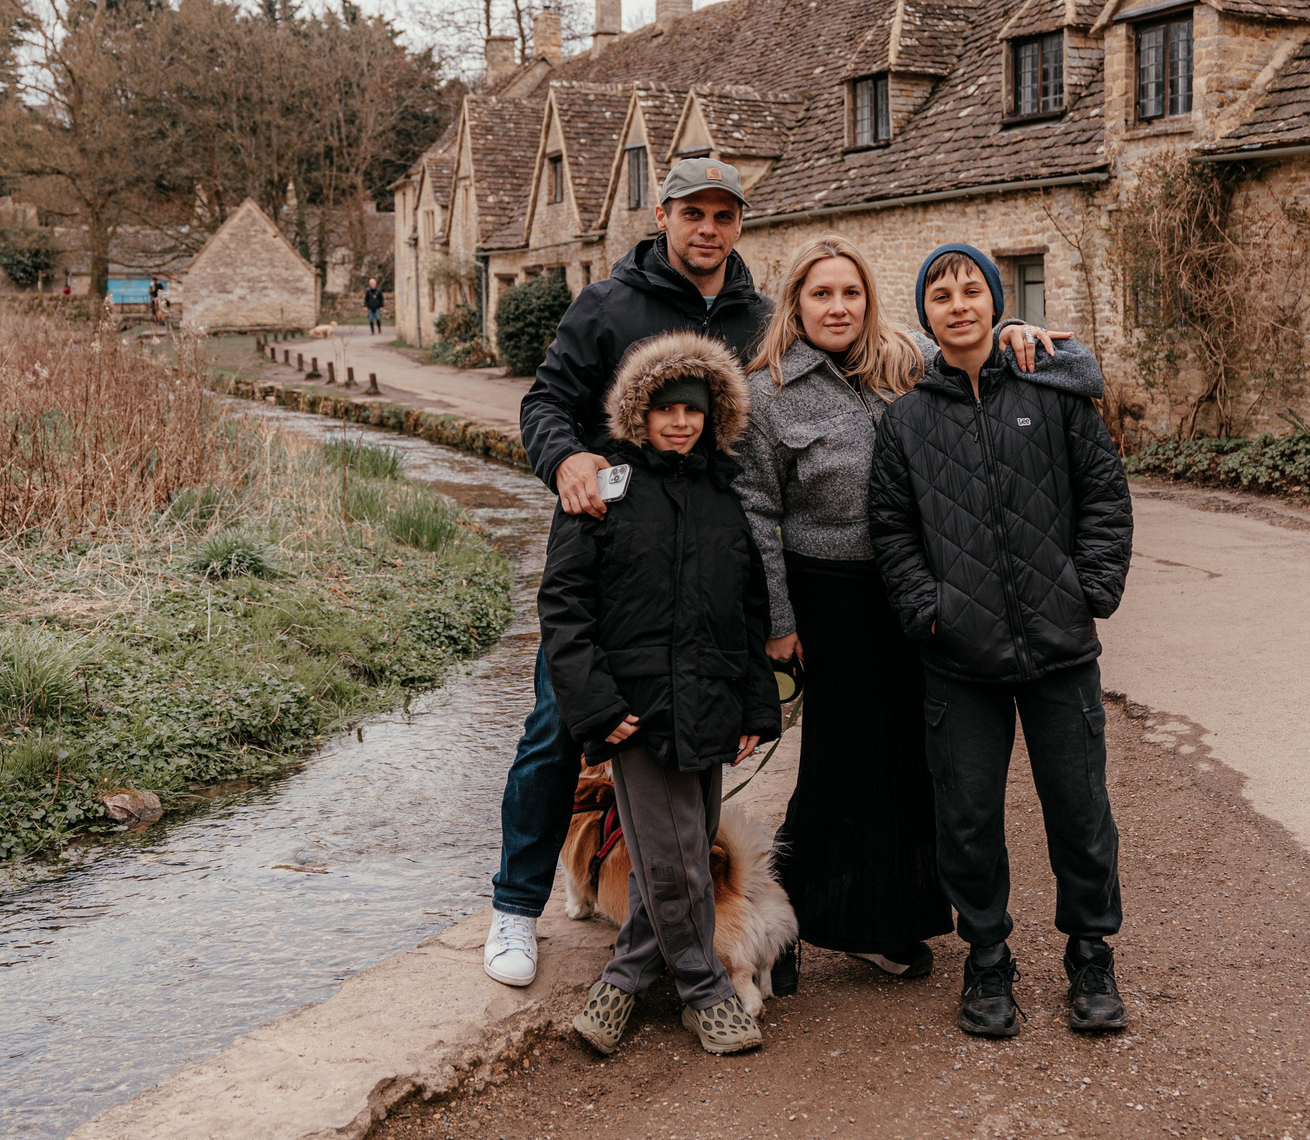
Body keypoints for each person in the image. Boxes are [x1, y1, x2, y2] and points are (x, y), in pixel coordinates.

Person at [483, 162, 1073, 991]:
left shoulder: (760, 317)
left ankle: (711, 918)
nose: (708, 228)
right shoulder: (608, 306)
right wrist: (568, 457)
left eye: (724, 215)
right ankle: (516, 903)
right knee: (562, 721)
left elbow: (939, 368)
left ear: (739, 224)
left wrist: (1013, 335)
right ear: (664, 215)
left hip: (720, 570)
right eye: (694, 212)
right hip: (623, 552)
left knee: (716, 738)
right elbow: (545, 400)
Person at [734, 235, 1102, 989]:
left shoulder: (901, 364)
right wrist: (777, 623)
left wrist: (1011, 332)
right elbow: (754, 513)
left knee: (914, 762)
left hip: (924, 586)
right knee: (838, 760)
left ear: (870, 301)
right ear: (794, 304)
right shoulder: (767, 392)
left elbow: (1026, 367)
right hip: (829, 595)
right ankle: (788, 915)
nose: (838, 307)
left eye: (851, 293)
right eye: (821, 294)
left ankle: (884, 918)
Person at [868, 242, 1135, 1039]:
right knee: (970, 816)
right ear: (926, 315)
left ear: (995, 300)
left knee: (1081, 811)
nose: (958, 304)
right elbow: (892, 528)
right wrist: (928, 609)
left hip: (1060, 651)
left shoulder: (1051, 393)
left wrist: (1090, 590)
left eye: (971, 289)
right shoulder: (907, 421)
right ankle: (988, 959)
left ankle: (1090, 953)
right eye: (941, 294)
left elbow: (1104, 497)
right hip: (961, 659)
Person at [546, 331, 778, 1057]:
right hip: (633, 712)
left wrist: (755, 704)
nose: (680, 422)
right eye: (666, 408)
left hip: (708, 701)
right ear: (639, 413)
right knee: (677, 857)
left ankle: (622, 977)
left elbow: (747, 611)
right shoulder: (604, 488)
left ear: (714, 417)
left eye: (695, 410)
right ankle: (705, 991)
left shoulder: (725, 497)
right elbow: (565, 606)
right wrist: (597, 706)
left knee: (666, 860)